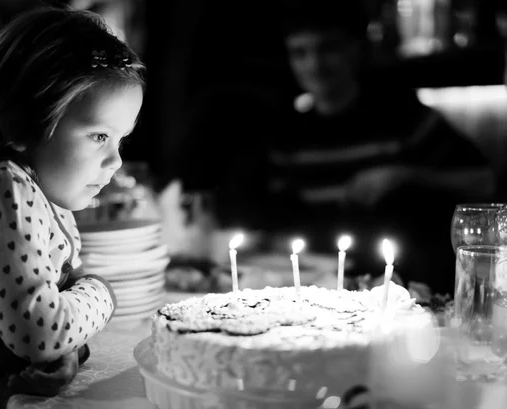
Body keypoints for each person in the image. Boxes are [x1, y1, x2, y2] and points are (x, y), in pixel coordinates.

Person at [0, 6, 145, 409]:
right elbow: (41, 333)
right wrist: (102, 293)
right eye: (99, 136)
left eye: (120, 140)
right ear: (20, 125)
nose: (116, 161)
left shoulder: (23, 182)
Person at [196, 0, 497, 295]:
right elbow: (273, 221)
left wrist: (406, 175)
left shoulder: (402, 116)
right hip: (318, 291)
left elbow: (485, 181)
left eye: (327, 49)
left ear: (353, 49)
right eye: (300, 53)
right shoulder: (287, 134)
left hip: (403, 289)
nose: (314, 65)